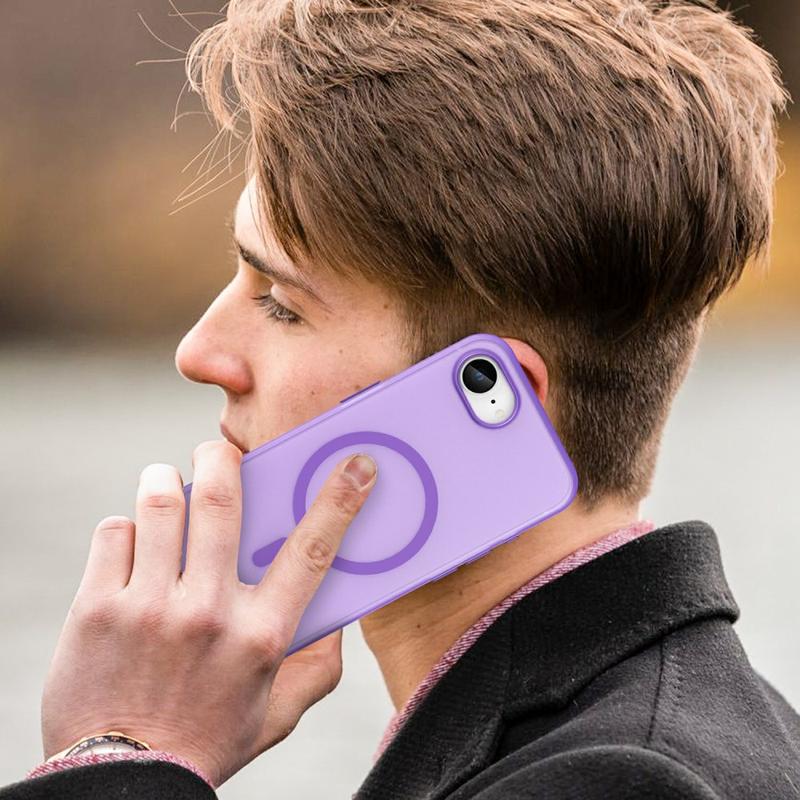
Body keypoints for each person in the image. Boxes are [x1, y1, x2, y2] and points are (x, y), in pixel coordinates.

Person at [2, 0, 798, 797]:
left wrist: (124, 752)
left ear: (498, 406)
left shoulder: (615, 782)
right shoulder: (691, 732)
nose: (199, 353)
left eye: (281, 304)